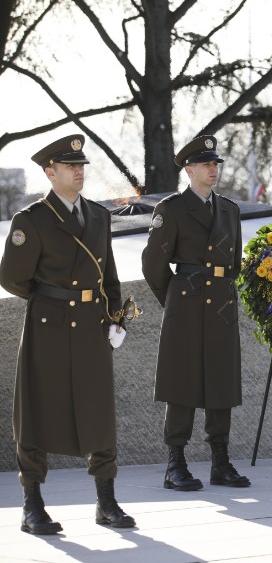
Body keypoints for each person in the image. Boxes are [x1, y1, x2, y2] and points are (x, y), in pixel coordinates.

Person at [0, 135, 135, 534]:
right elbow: (12, 278)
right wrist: (53, 302)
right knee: (37, 412)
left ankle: (106, 502)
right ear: (50, 172)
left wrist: (115, 317)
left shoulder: (98, 216)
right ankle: (32, 506)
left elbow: (108, 274)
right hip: (50, 327)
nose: (79, 171)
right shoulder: (32, 219)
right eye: (69, 165)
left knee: (99, 411)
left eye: (81, 165)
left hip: (93, 327)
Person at [142, 135, 250, 490]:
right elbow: (153, 265)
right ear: (189, 169)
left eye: (215, 163)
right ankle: (176, 464)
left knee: (221, 382)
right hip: (185, 305)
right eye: (205, 164)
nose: (212, 169)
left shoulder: (230, 210)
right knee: (182, 384)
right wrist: (175, 302)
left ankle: (220, 462)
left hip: (221, 305)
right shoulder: (171, 209)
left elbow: (233, 264)